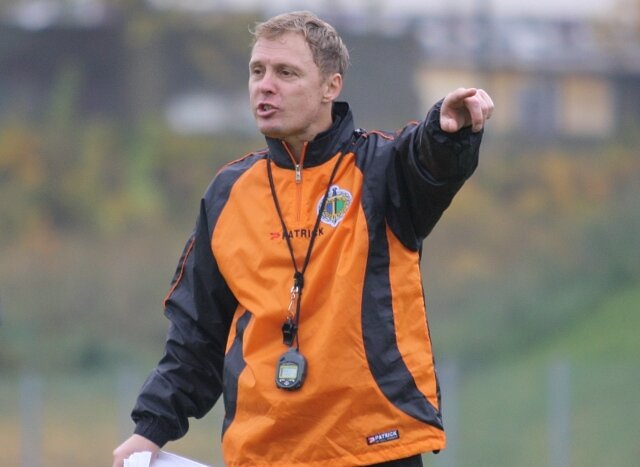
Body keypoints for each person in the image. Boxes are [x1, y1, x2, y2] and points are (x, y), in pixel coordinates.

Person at [113, 10, 493, 467]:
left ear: (331, 86)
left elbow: (430, 162)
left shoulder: (381, 169)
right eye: (257, 71)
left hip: (373, 447)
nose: (265, 85)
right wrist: (149, 430)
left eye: (286, 73)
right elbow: (198, 334)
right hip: (264, 453)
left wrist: (449, 132)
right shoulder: (228, 192)